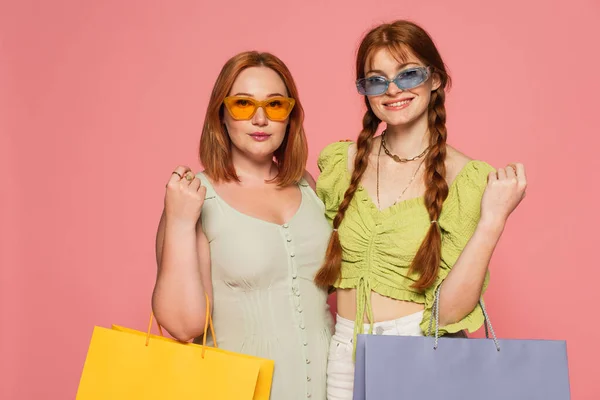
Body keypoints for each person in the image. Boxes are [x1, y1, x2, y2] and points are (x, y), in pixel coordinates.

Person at [314, 20, 527, 399]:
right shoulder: (340, 162)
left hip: (419, 351)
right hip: (343, 352)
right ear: (365, 92)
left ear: (436, 79)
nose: (393, 89)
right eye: (376, 80)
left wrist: (493, 221)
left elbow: (449, 313)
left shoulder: (467, 178)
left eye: (408, 74)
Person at [152, 51, 334, 400]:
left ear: (290, 116)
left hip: (330, 389)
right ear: (221, 114)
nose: (260, 119)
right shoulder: (195, 196)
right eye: (243, 104)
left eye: (275, 105)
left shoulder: (308, 185)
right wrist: (177, 221)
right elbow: (182, 325)